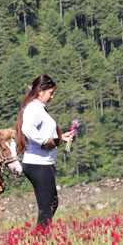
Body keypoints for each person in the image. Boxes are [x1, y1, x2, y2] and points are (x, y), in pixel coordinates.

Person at [14, 75, 75, 229]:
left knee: (52, 202)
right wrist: (44, 141)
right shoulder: (33, 108)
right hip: (37, 163)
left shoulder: (39, 108)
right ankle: (41, 240)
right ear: (40, 91)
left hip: (43, 162)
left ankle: (41, 237)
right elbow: (27, 129)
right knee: (46, 205)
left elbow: (46, 134)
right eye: (50, 93)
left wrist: (60, 138)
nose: (52, 96)